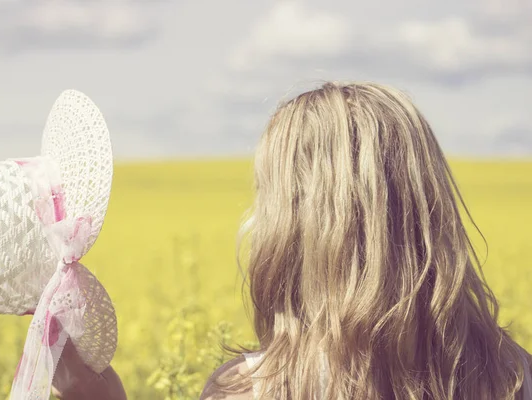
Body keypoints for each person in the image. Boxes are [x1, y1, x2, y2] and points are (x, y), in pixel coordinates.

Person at [51, 81, 532, 399]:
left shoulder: (247, 390)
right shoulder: (516, 379)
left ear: (295, 225)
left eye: (266, 198)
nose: (254, 219)